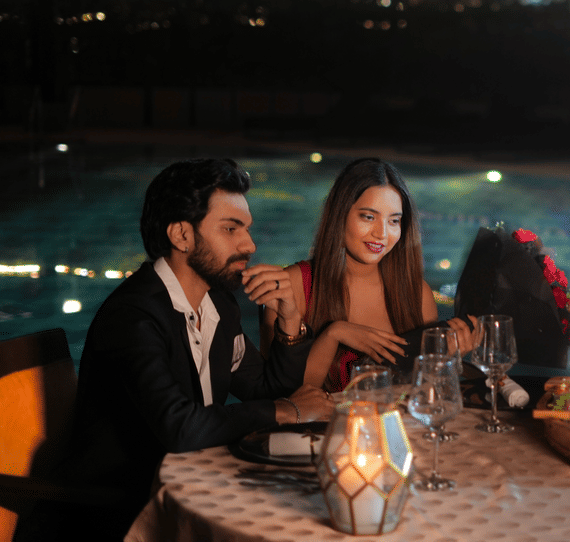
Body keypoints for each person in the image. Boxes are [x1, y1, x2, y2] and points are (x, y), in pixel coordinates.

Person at [58, 158, 333, 539]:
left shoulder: (218, 304)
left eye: (246, 230)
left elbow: (266, 389)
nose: (249, 245)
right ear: (182, 236)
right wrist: (288, 411)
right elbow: (180, 427)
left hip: (192, 483)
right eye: (230, 229)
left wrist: (289, 320)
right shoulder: (133, 317)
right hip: (117, 511)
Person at [260, 157, 474, 391]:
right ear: (339, 215)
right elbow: (283, 398)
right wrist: (334, 334)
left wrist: (448, 362)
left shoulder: (416, 293)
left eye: (394, 221)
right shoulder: (295, 284)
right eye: (368, 217)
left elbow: (423, 394)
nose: (382, 233)